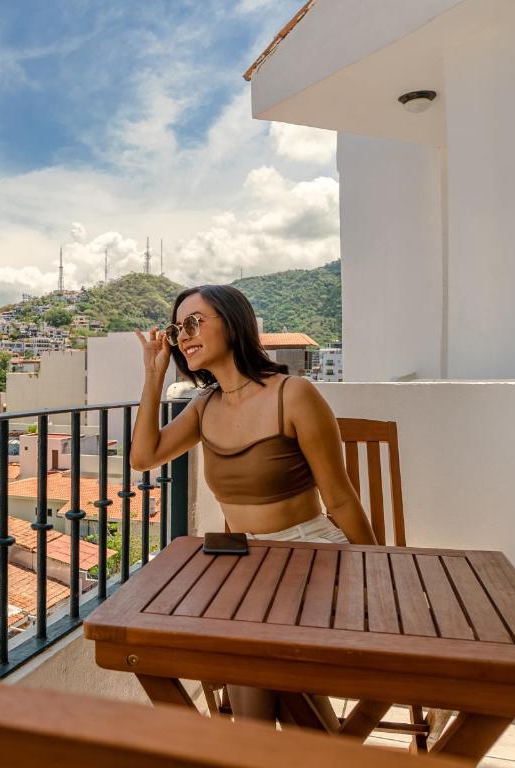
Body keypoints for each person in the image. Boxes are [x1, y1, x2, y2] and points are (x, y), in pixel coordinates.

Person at [130, 284, 376, 722]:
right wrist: (153, 376)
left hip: (310, 553)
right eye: (177, 328)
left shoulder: (293, 394)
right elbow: (143, 458)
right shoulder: (205, 406)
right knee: (255, 655)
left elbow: (339, 499)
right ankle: (313, 745)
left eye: (194, 323)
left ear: (233, 323)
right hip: (249, 562)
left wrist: (379, 571)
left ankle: (252, 745)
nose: (183, 336)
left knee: (246, 650)